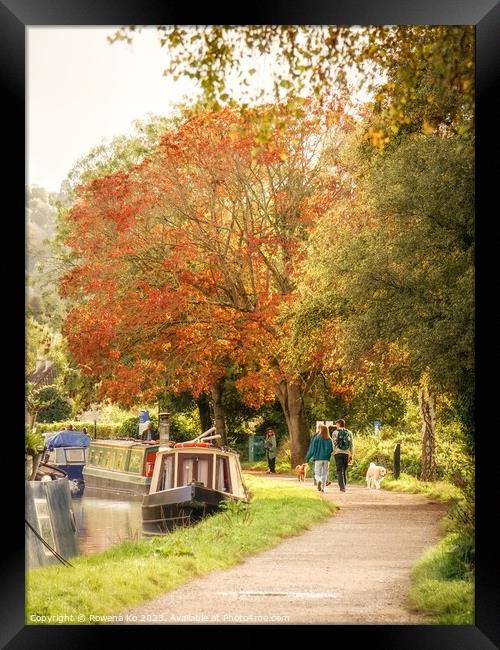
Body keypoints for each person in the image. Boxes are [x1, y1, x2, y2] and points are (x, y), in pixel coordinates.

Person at [305, 424, 333, 492]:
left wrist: (307, 458)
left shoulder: (316, 438)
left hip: (318, 458)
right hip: (326, 459)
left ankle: (319, 480)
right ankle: (323, 488)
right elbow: (332, 449)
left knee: (317, 474)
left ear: (320, 430)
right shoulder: (329, 439)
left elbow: (312, 449)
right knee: (324, 474)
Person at [331, 418, 354, 492]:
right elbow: (351, 445)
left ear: (338, 424)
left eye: (336, 424)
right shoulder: (349, 432)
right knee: (344, 470)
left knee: (339, 470)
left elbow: (333, 443)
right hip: (347, 453)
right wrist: (351, 454)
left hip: (338, 453)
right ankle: (344, 486)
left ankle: (342, 487)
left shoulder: (335, 432)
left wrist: (333, 452)